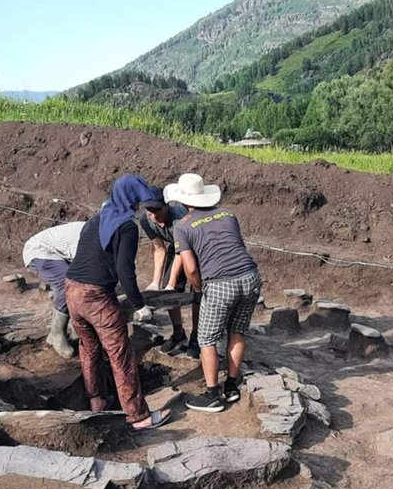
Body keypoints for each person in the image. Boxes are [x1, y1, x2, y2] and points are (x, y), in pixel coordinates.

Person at [65, 174, 172, 430]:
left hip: (71, 290)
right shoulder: (126, 226)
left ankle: (97, 402)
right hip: (97, 297)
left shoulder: (96, 220)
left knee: (89, 348)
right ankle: (138, 417)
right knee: (120, 355)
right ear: (133, 199)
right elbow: (125, 271)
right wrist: (139, 305)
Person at [167, 173, 262, 414]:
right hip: (250, 276)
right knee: (237, 330)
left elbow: (189, 267)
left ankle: (211, 395)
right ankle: (231, 386)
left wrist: (199, 287)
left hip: (220, 283)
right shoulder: (228, 214)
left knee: (207, 339)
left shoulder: (183, 226)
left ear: (182, 199)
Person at [139, 194, 200, 357]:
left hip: (197, 248)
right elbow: (159, 249)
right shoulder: (146, 220)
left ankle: (196, 337)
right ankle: (178, 332)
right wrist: (155, 282)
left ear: (166, 207)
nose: (153, 216)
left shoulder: (179, 219)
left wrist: (171, 284)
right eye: (149, 211)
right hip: (177, 247)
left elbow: (183, 253)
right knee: (170, 295)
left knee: (197, 292)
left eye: (157, 211)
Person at [23, 221, 86, 359]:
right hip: (40, 251)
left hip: (61, 253)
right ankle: (57, 333)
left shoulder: (108, 234)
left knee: (81, 285)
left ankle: (76, 329)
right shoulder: (91, 237)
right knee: (67, 284)